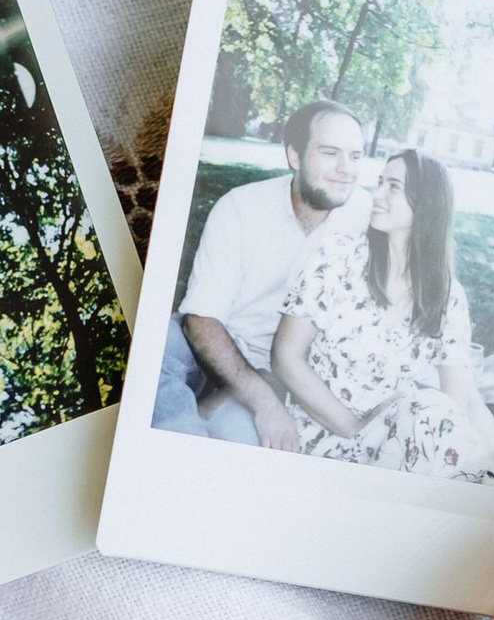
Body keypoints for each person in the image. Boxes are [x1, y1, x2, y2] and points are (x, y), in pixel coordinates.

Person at [270, 148, 494, 482]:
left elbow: (465, 400)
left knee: (469, 456)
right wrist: (357, 429)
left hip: (398, 439)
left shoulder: (444, 294)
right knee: (430, 408)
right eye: (380, 182)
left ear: (426, 202)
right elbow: (286, 358)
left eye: (393, 186)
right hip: (325, 432)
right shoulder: (339, 259)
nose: (377, 194)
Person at [154, 102, 369, 450]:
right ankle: (173, 449)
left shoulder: (368, 222)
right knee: (152, 347)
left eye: (356, 156)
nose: (346, 169)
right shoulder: (241, 207)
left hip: (276, 372)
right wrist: (265, 404)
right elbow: (200, 320)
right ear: (294, 156)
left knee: (242, 440)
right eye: (331, 153)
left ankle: (193, 440)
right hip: (210, 344)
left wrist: (268, 400)